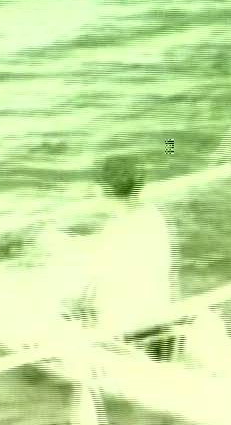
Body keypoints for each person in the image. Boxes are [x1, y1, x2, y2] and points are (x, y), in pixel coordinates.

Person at [67, 154, 178, 361]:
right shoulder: (153, 215)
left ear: (104, 189)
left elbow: (94, 285)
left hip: (126, 330)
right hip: (156, 320)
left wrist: (78, 305)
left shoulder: (115, 230)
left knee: (64, 308)